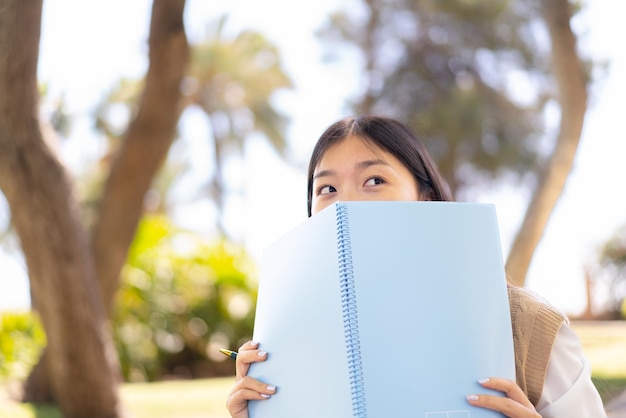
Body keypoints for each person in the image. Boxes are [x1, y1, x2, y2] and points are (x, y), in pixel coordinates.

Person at [226, 115, 607, 418]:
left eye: (374, 180)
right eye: (327, 189)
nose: (346, 203)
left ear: (424, 198)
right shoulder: (288, 339)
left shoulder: (529, 326)